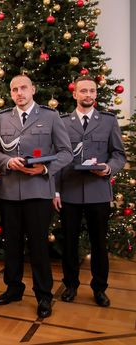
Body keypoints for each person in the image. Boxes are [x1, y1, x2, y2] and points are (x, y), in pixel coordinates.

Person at [0, 75, 72, 318]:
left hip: (38, 191)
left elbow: (66, 153)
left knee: (38, 247)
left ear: (33, 89)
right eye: (14, 89)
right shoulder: (2, 117)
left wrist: (45, 169)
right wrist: (7, 161)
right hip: (10, 192)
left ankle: (43, 296)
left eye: (23, 88)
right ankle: (13, 289)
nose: (19, 93)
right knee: (12, 246)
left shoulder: (50, 116)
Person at [54, 76, 126, 307]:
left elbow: (118, 155)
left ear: (96, 94)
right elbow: (55, 159)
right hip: (70, 191)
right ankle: (71, 285)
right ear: (75, 94)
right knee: (69, 243)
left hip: (98, 192)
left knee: (98, 244)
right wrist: (55, 191)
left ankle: (99, 288)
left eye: (92, 91)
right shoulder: (62, 122)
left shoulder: (108, 121)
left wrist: (108, 168)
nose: (88, 94)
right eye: (83, 90)